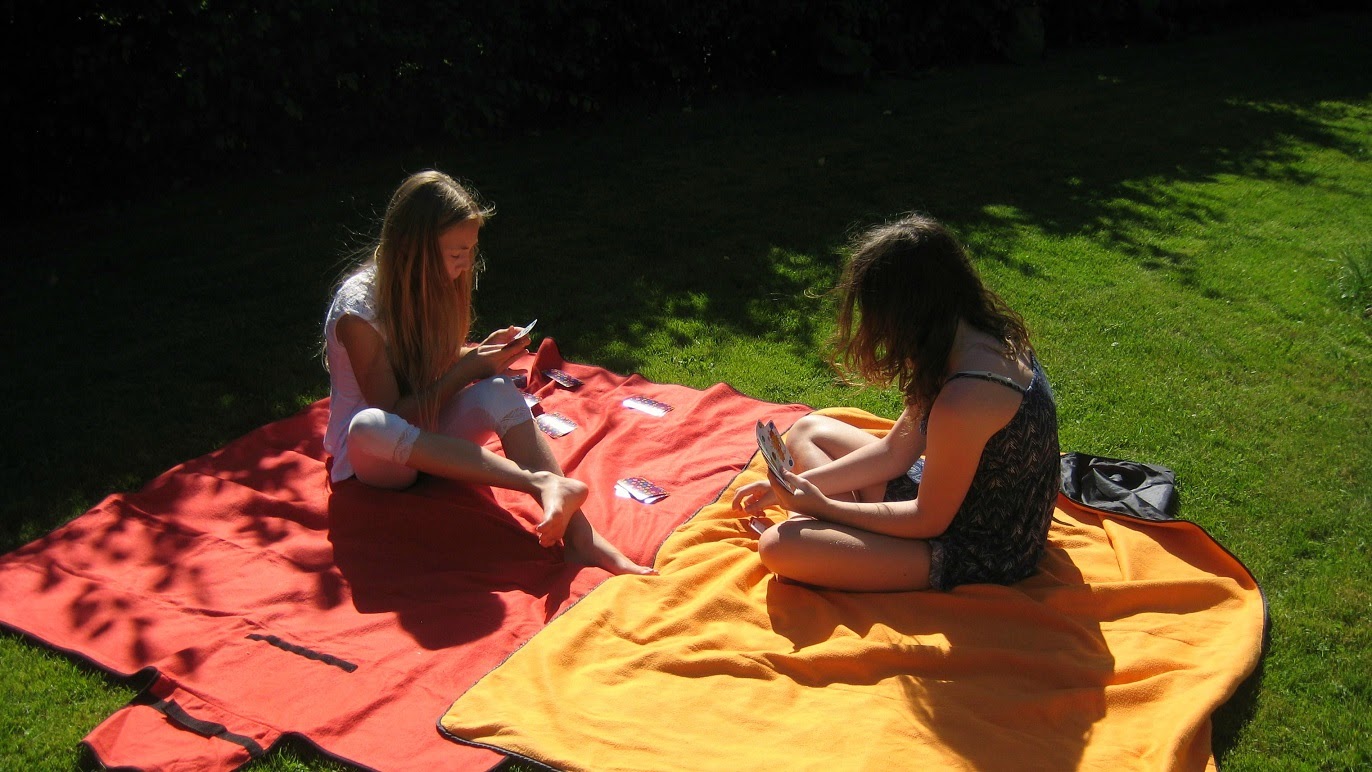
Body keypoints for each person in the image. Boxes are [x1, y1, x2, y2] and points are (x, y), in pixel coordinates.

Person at [323, 169, 652, 575]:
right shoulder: (358, 313)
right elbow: (394, 413)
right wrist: (466, 369)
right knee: (368, 424)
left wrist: (481, 354)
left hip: (428, 433)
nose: (466, 264)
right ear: (414, 249)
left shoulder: (431, 283)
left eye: (470, 251)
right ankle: (539, 482)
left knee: (497, 389)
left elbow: (427, 361)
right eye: (456, 254)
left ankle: (582, 539)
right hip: (377, 459)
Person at [733, 214, 1059, 592]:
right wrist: (795, 486)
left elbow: (928, 520)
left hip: (977, 546)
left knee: (779, 546)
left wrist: (825, 508)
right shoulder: (972, 337)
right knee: (809, 429)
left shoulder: (966, 398)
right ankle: (839, 536)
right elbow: (893, 453)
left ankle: (837, 538)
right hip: (952, 497)